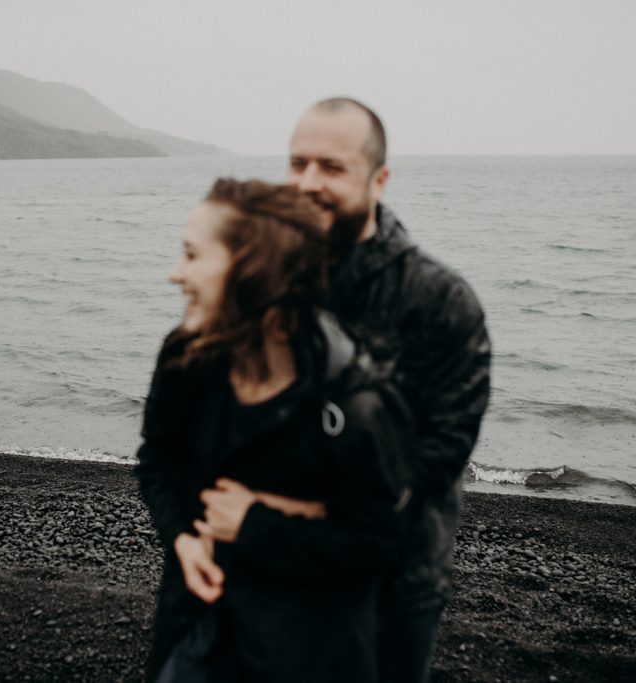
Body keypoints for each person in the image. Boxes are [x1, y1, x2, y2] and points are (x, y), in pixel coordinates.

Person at [198, 98, 492, 681]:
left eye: (331, 167)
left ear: (379, 180)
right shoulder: (266, 283)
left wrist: (282, 513)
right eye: (297, 163)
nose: (307, 182)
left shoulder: (439, 301)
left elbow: (433, 463)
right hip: (264, 567)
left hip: (389, 585)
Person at [136, 178, 417, 682]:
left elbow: (382, 545)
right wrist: (183, 540)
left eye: (193, 255)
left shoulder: (355, 398)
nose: (175, 273)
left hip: (308, 646)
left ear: (254, 273)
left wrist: (255, 524)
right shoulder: (186, 356)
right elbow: (159, 459)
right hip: (199, 626)